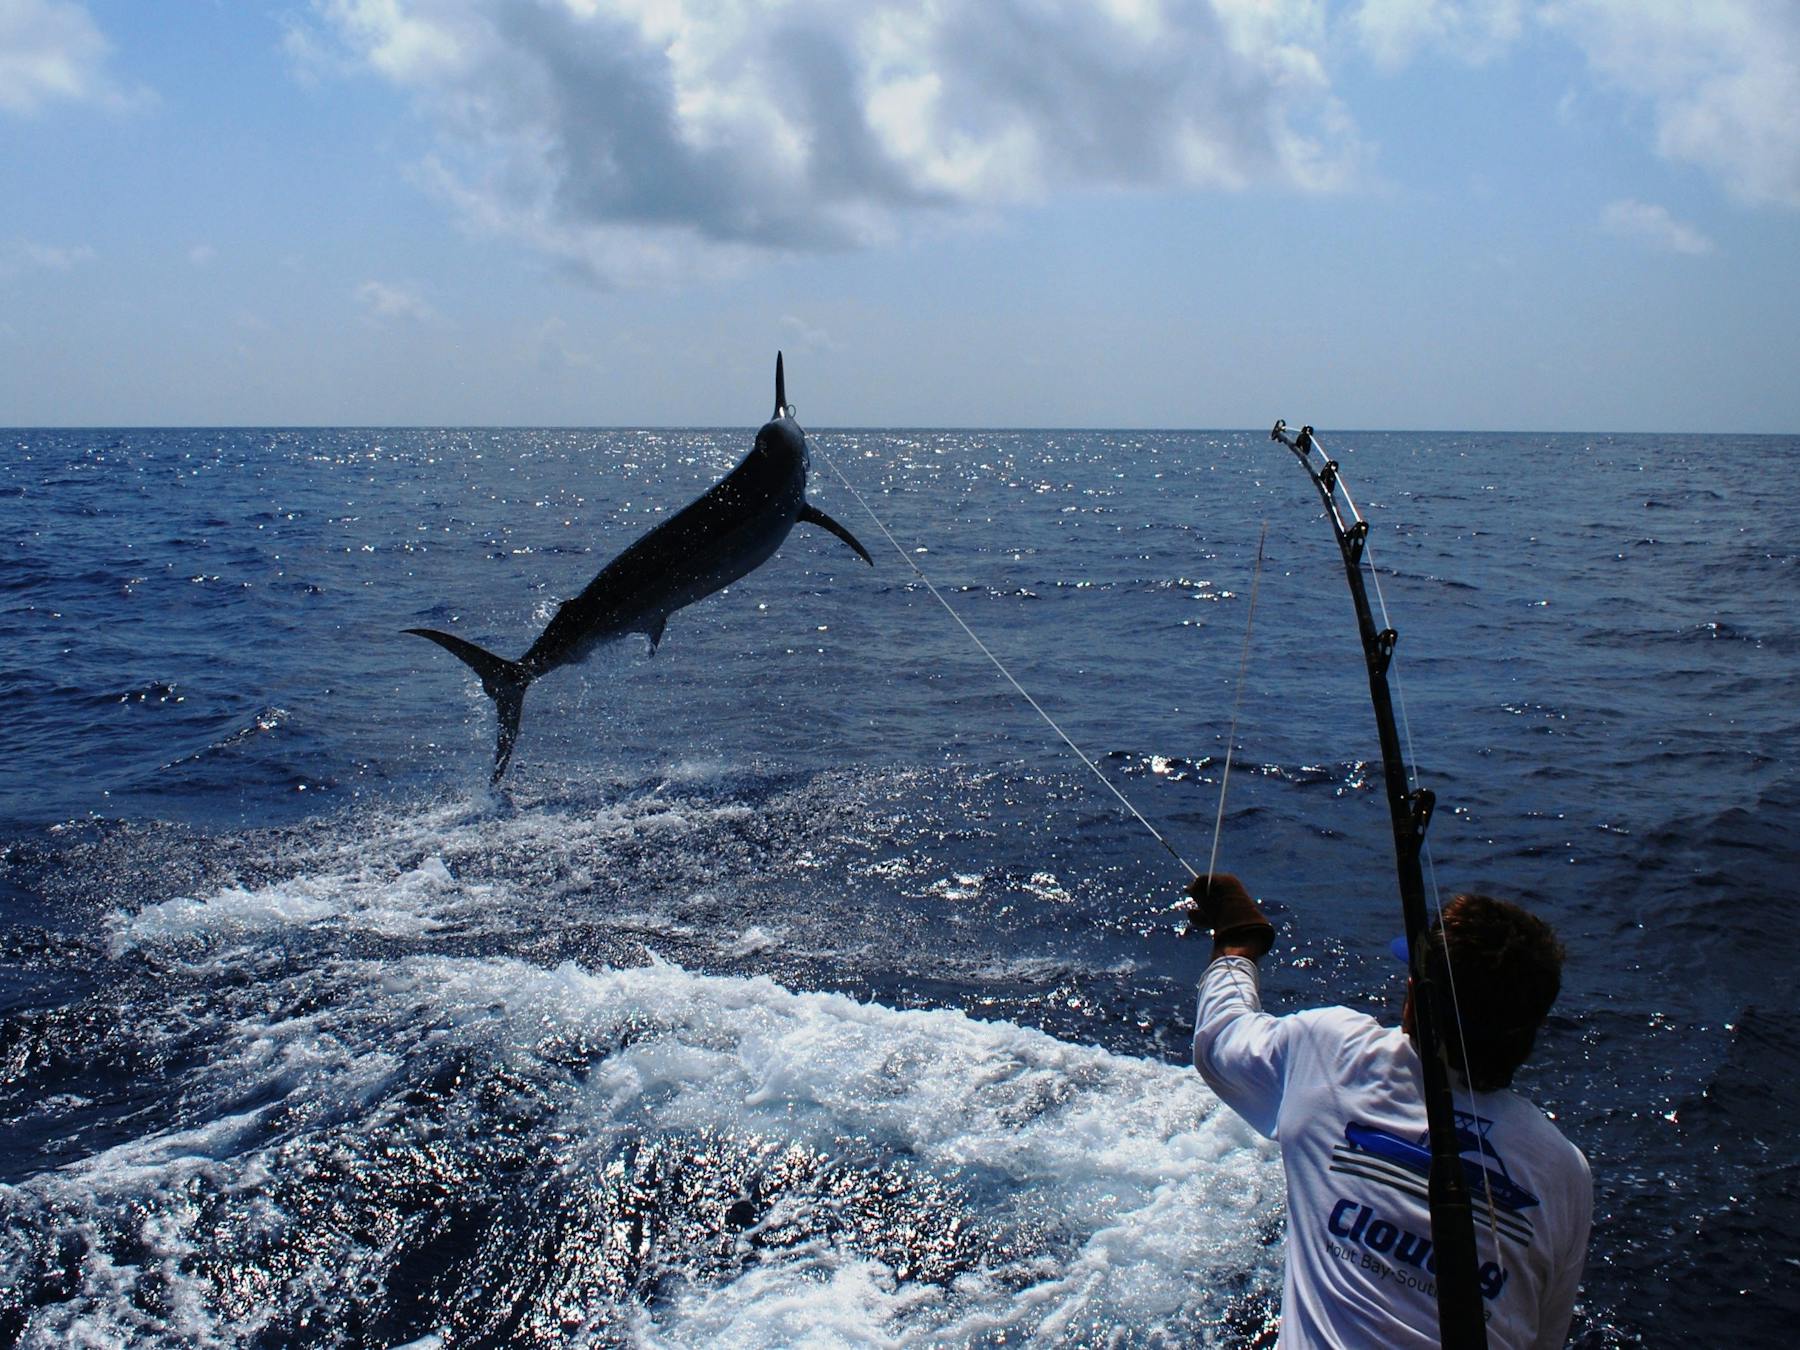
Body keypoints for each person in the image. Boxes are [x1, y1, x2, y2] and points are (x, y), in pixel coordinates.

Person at [1186, 874, 1591, 1348]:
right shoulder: (1566, 1172)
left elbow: (1220, 1037)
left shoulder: (1332, 1052)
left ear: (1415, 999)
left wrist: (1237, 944)